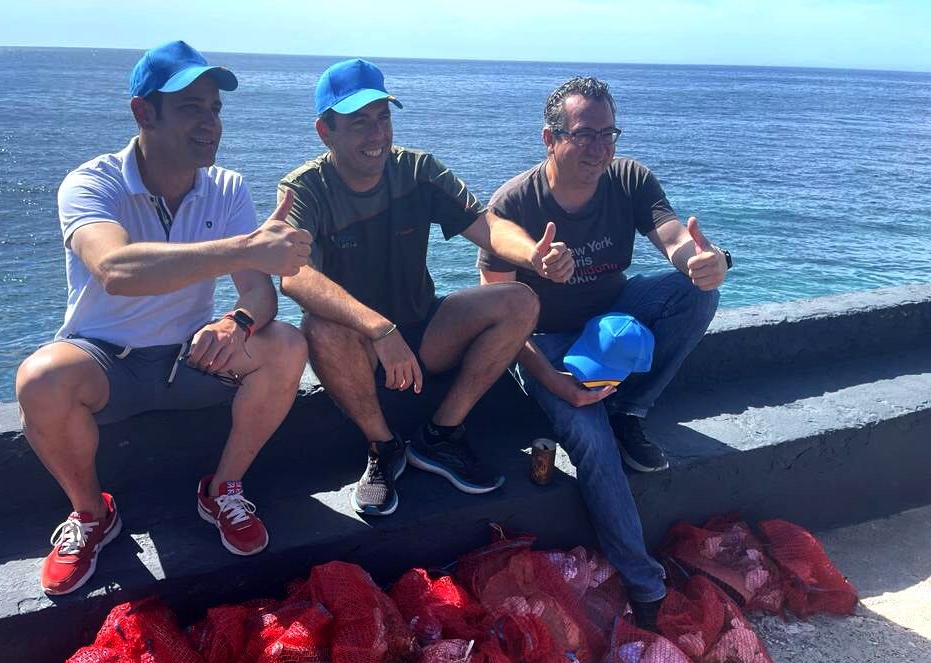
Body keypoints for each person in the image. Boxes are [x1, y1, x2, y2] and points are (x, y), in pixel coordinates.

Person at [16, 41, 313, 596]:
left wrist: (239, 322)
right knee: (40, 377)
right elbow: (115, 268)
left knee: (288, 345)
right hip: (106, 361)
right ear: (143, 113)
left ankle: (222, 489)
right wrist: (244, 248)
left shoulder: (227, 188)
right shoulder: (93, 183)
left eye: (215, 109)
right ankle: (90, 515)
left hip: (190, 359)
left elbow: (260, 295)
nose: (210, 123)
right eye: (191, 108)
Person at [479, 76, 728, 625]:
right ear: (550, 137)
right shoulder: (514, 203)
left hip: (612, 316)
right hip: (547, 341)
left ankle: (630, 408)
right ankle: (643, 583)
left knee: (698, 293)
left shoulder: (628, 177)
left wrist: (702, 262)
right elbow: (499, 320)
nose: (600, 149)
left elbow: (671, 236)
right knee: (590, 442)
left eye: (608, 134)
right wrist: (551, 381)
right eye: (584, 135)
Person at [278, 58, 557, 517]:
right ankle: (382, 448)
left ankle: (441, 435)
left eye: (383, 117)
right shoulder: (304, 190)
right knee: (318, 326)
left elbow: (483, 224)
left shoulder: (417, 171)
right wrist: (378, 330)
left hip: (425, 331)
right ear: (325, 131)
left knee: (520, 301)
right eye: (359, 122)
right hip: (359, 346)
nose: (377, 135)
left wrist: (533, 255)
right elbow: (294, 275)